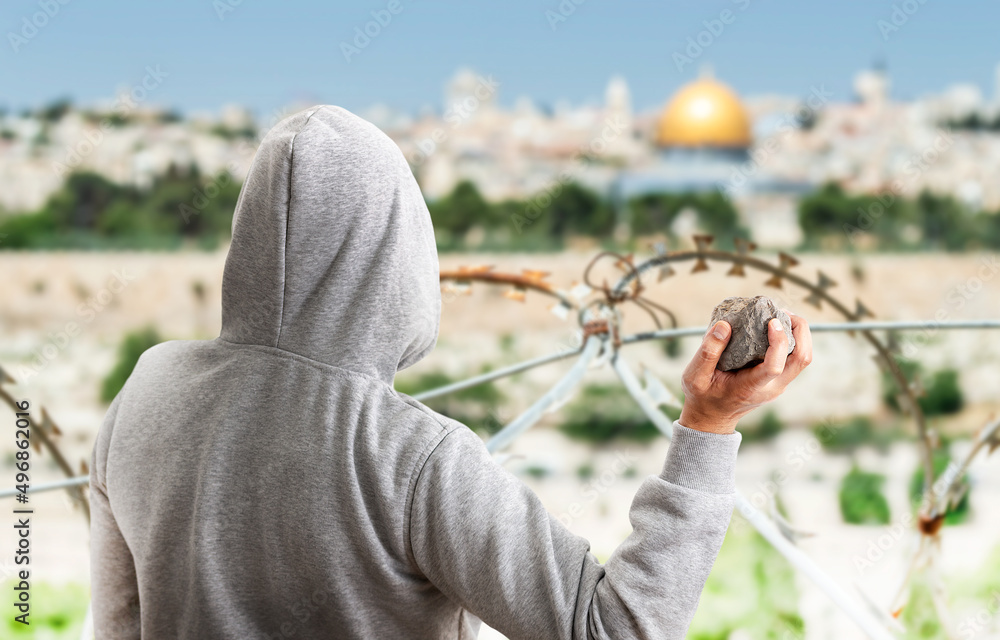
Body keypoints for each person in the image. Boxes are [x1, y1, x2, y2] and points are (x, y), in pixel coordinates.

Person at [89, 105, 812, 639]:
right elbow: (615, 629)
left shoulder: (145, 393)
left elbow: (118, 624)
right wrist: (708, 425)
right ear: (399, 254)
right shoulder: (409, 457)